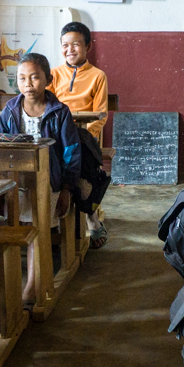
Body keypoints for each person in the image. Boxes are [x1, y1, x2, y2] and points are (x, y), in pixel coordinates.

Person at [0, 53, 80, 306]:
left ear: (48, 80)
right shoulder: (10, 110)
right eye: (21, 78)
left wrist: (66, 189)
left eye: (34, 77)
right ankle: (15, 289)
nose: (28, 83)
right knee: (17, 233)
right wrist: (1, 189)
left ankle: (31, 288)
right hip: (17, 183)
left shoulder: (59, 112)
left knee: (38, 232)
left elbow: (71, 152)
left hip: (48, 183)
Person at [48, 21, 110, 248]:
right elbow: (48, 109)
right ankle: (53, 211)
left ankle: (91, 217)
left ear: (88, 47)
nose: (70, 50)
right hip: (56, 134)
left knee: (80, 156)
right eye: (65, 45)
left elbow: (100, 115)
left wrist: (83, 134)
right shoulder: (52, 74)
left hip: (84, 136)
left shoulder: (97, 76)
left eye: (75, 45)